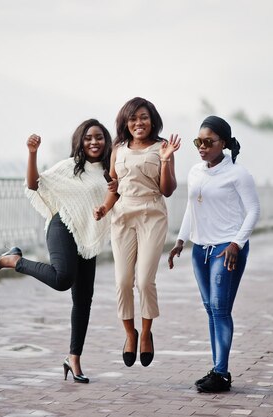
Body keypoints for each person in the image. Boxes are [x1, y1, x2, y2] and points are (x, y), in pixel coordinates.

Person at [0, 119, 113, 383]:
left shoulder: (110, 171)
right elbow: (35, 184)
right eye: (89, 137)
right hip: (63, 226)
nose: (94, 142)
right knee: (62, 279)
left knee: (83, 300)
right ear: (80, 141)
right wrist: (32, 153)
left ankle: (74, 359)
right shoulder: (70, 167)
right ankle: (15, 261)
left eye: (99, 137)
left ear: (106, 141)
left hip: (87, 234)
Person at [167, 116, 260, 393]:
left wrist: (236, 243)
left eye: (209, 142)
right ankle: (217, 369)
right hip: (200, 249)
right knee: (210, 309)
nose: (202, 146)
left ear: (224, 144)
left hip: (226, 249)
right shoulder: (196, 171)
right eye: (199, 141)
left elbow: (254, 211)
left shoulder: (238, 174)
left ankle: (221, 373)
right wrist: (180, 240)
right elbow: (190, 208)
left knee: (220, 309)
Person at [93, 97, 181, 368]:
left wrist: (165, 162)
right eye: (133, 119)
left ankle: (146, 333)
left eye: (143, 117)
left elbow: (167, 190)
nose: (138, 123)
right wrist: (104, 209)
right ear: (126, 123)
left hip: (152, 214)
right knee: (122, 281)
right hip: (122, 217)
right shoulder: (118, 149)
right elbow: (114, 189)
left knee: (144, 281)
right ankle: (129, 334)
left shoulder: (162, 147)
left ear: (152, 120)